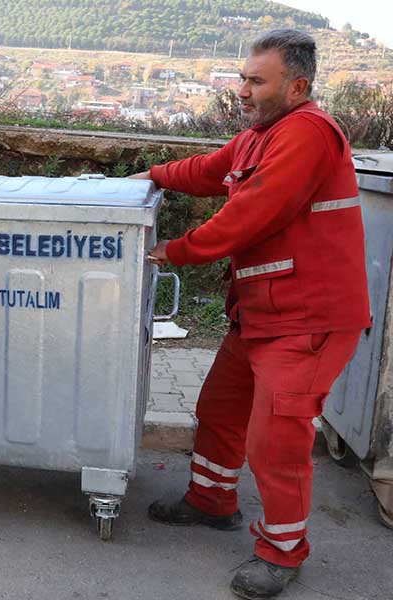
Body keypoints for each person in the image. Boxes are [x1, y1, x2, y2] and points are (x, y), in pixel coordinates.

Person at [131, 30, 370, 599]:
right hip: (262, 311)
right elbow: (210, 171)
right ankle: (211, 501)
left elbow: (254, 213)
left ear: (298, 86)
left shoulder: (308, 134)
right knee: (219, 407)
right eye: (242, 77)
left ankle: (282, 552)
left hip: (307, 318)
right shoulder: (258, 137)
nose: (241, 90)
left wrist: (178, 249)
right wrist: (154, 175)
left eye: (256, 81)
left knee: (274, 439)